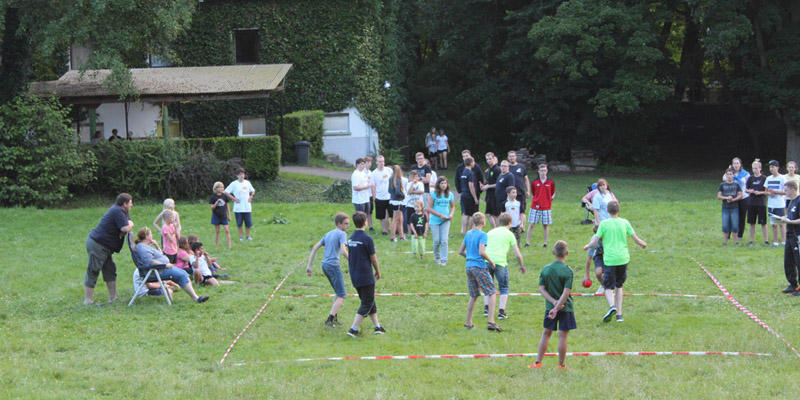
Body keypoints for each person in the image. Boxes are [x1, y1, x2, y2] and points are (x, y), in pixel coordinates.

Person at [583, 200, 646, 323]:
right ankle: (619, 315)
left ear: (607, 211)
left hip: (610, 259)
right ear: (619, 210)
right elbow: (636, 239)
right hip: (623, 258)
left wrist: (588, 246)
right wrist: (643, 244)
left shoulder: (604, 224)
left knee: (607, 286)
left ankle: (612, 307)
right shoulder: (625, 222)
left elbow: (595, 241)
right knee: (619, 285)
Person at [529, 240, 575, 370]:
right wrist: (558, 305)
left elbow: (541, 289)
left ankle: (538, 362)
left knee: (546, 333)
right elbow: (566, 293)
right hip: (566, 307)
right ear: (567, 253)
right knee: (563, 336)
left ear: (554, 252)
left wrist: (553, 304)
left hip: (550, 308)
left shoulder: (546, 269)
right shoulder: (568, 271)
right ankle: (561, 365)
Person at [133, 227, 209, 303]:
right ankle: (196, 298)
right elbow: (150, 262)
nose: (152, 236)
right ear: (146, 236)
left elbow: (161, 255)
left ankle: (195, 297)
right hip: (156, 271)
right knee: (181, 275)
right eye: (151, 234)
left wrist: (156, 245)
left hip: (160, 269)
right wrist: (165, 265)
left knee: (183, 273)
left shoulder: (146, 246)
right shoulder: (142, 248)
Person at [83, 193, 134, 305]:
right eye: (130, 203)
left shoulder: (123, 211)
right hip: (98, 244)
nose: (132, 205)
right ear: (124, 203)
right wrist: (130, 225)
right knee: (94, 269)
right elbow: (125, 227)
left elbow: (127, 223)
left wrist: (129, 224)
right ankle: (88, 301)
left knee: (110, 269)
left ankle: (113, 298)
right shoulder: (117, 211)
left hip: (105, 246)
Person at [458, 213, 501, 332]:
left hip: (469, 267)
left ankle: (468, 322)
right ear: (483, 222)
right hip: (479, 267)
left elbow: (461, 251)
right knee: (492, 292)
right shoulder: (483, 235)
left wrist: (470, 257)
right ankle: (491, 321)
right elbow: (482, 252)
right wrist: (491, 261)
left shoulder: (468, 233)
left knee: (474, 295)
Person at [306, 212, 351, 326]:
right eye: (346, 224)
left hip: (324, 265)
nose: (348, 226)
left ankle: (334, 317)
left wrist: (309, 266)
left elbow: (314, 248)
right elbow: (343, 251)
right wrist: (353, 261)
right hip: (333, 266)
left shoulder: (328, 234)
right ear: (339, 224)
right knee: (342, 295)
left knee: (337, 291)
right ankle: (329, 320)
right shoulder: (341, 234)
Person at [345, 212, 385, 337]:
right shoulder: (367, 239)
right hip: (366, 275)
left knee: (369, 300)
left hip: (355, 275)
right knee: (367, 303)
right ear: (365, 222)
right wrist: (377, 270)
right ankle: (354, 329)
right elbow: (373, 258)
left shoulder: (350, 239)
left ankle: (377, 326)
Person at [483, 212, 525, 320]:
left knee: (488, 286)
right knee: (504, 287)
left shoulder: (490, 232)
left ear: (498, 222)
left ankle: (486, 309)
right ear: (510, 223)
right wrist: (522, 266)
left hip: (487, 261)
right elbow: (518, 254)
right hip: (500, 263)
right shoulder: (510, 234)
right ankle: (501, 312)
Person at [525, 163, 556, 248]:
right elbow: (534, 193)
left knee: (545, 225)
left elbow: (552, 194)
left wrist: (547, 202)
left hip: (546, 207)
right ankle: (528, 242)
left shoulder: (551, 182)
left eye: (545, 170)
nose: (543, 172)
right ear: (538, 171)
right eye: (541, 170)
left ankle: (545, 243)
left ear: (547, 171)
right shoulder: (535, 182)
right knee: (531, 224)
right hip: (535, 206)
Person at [428, 177, 455, 266]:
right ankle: (437, 257)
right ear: (438, 185)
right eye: (442, 183)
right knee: (436, 241)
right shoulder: (433, 194)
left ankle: (444, 260)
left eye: (445, 183)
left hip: (445, 220)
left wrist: (451, 214)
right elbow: (429, 208)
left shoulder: (450, 194)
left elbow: (453, 206)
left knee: (444, 240)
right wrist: (439, 215)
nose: (444, 185)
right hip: (435, 220)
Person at [779, 181, 800, 295]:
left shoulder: (799, 200)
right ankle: (793, 284)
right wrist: (785, 217)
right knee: (788, 261)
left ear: (793, 190)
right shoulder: (791, 202)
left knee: (798, 261)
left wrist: (791, 221)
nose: (784, 192)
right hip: (789, 235)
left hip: (797, 235)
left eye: (786, 190)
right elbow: (792, 215)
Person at [226, 168, 256, 241]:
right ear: (237, 175)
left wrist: (251, 196)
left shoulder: (247, 183)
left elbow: (253, 190)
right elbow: (226, 192)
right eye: (239, 174)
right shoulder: (234, 184)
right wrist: (233, 198)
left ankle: (248, 236)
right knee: (239, 223)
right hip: (238, 207)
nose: (241, 176)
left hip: (247, 207)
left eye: (242, 174)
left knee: (248, 223)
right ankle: (241, 237)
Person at [745, 159, 769, 245]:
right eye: (753, 168)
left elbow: (767, 192)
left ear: (760, 168)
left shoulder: (764, 178)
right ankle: (751, 240)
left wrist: (760, 193)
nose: (754, 170)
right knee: (752, 222)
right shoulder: (750, 178)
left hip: (761, 203)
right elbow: (746, 190)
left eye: (756, 168)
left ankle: (766, 240)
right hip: (751, 203)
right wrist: (750, 191)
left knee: (763, 222)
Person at [727, 157, 751, 241]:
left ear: (740, 164)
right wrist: (729, 169)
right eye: (734, 163)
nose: (736, 165)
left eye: (737, 163)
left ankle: (740, 235)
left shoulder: (746, 174)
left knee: (741, 216)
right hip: (733, 197)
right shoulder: (731, 174)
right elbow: (724, 178)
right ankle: (729, 234)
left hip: (744, 197)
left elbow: (749, 184)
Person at [718, 168, 743, 245]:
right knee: (725, 225)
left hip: (734, 207)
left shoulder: (736, 185)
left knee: (735, 225)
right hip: (725, 208)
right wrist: (726, 198)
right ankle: (725, 241)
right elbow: (719, 196)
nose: (729, 176)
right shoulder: (722, 185)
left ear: (733, 175)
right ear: (726, 175)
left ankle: (736, 241)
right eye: (727, 174)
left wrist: (734, 199)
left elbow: (741, 195)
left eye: (731, 174)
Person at [765, 160, 786, 247]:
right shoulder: (768, 178)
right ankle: (775, 242)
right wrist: (770, 193)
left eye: (773, 167)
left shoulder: (782, 178)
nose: (771, 169)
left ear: (777, 167)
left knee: (781, 223)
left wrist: (775, 192)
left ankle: (784, 241)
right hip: (771, 204)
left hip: (779, 204)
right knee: (773, 224)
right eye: (770, 167)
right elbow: (765, 191)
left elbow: (785, 192)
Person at [508, 151, 530, 230]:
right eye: (510, 156)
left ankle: (522, 227)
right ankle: (511, 226)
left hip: (520, 192)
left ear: (516, 157)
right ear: (508, 157)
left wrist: (528, 190)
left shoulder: (521, 167)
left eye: (513, 156)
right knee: (511, 209)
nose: (512, 158)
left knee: (522, 210)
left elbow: (526, 179)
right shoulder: (507, 167)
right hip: (510, 193)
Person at [370, 155, 392, 235]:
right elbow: (373, 186)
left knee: (390, 214)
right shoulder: (374, 174)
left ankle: (390, 228)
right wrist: (375, 197)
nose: (382, 163)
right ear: (376, 162)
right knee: (381, 215)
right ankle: (384, 230)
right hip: (379, 197)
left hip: (389, 196)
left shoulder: (389, 170)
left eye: (383, 161)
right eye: (380, 161)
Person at [458, 157, 480, 234]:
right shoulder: (470, 173)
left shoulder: (464, 172)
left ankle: (463, 231)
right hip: (469, 195)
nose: (474, 164)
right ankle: (470, 230)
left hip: (463, 194)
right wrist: (475, 198)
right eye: (473, 162)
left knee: (465, 213)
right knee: (472, 214)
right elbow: (471, 185)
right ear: (471, 163)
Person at [210, 181, 232, 248]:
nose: (222, 188)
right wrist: (216, 203)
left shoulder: (224, 196)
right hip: (216, 216)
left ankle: (229, 246)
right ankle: (217, 246)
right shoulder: (213, 197)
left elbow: (227, 206)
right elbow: (211, 208)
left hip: (224, 216)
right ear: (216, 188)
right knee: (217, 231)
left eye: (222, 187)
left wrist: (229, 215)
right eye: (220, 187)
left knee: (227, 230)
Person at [481, 152, 502, 228]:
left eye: (490, 159)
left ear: (494, 158)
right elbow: (488, 180)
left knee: (496, 214)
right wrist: (485, 184)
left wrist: (488, 186)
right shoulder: (489, 169)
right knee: (488, 213)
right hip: (489, 195)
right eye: (487, 159)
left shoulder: (497, 169)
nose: (489, 161)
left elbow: (499, 183)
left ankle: (499, 230)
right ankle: (495, 229)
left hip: (495, 195)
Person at [388, 165, 407, 242]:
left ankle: (402, 236)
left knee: (400, 219)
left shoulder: (390, 178)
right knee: (396, 220)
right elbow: (398, 192)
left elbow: (389, 190)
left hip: (392, 201)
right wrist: (404, 195)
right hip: (397, 202)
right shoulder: (397, 180)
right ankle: (392, 237)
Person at [404, 170, 425, 235]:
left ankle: (419, 232)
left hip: (419, 204)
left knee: (419, 219)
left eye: (415, 177)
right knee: (409, 220)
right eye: (412, 177)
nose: (414, 178)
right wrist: (412, 183)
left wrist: (414, 192)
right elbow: (409, 192)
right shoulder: (408, 184)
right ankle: (409, 233)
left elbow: (421, 191)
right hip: (410, 204)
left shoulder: (420, 184)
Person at [364, 156, 375, 232]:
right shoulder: (362, 172)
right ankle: (363, 225)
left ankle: (371, 226)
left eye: (370, 162)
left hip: (370, 195)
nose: (369, 164)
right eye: (367, 162)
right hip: (364, 195)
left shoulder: (370, 172)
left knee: (370, 211)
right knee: (364, 212)